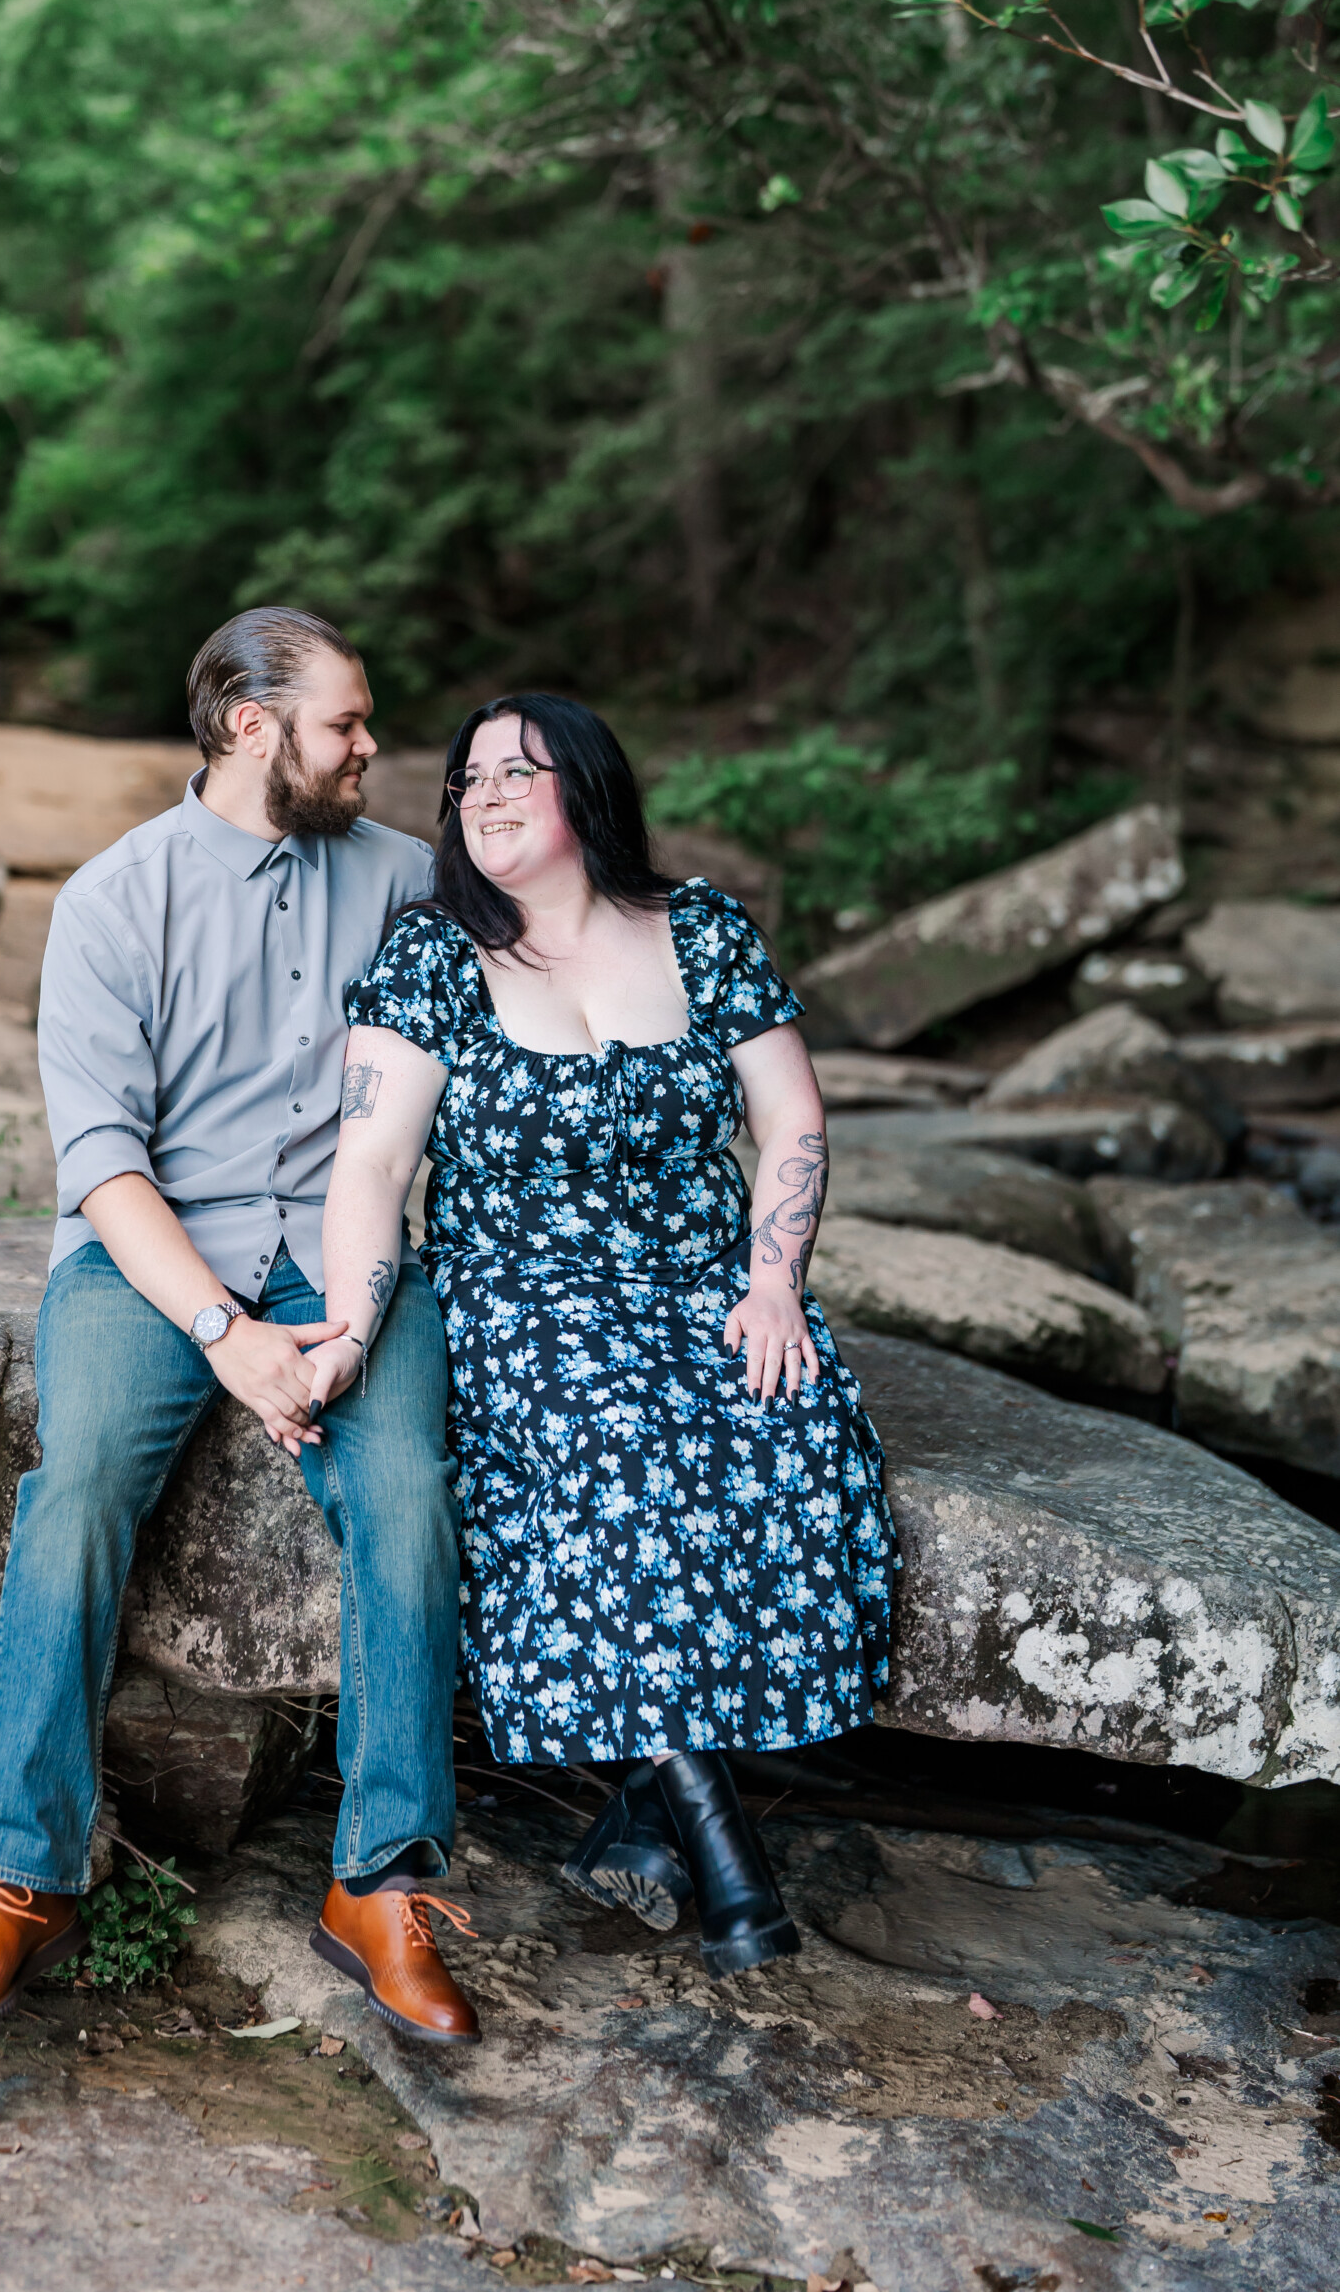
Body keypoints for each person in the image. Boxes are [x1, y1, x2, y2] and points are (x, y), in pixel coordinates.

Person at [0, 608, 479, 2049]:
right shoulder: (113, 898)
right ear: (248, 727)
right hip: (150, 1260)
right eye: (346, 723)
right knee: (78, 1484)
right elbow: (102, 1163)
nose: (372, 747)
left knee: (406, 1492)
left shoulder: (412, 884)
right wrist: (227, 1330)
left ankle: (382, 1882)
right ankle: (19, 1877)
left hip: (349, 1254)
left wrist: (345, 1319)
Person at [306, 692, 897, 1980]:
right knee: (610, 1449)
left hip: (698, 1280)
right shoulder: (434, 953)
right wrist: (353, 1318)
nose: (489, 791)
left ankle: (642, 1808)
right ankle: (730, 1858)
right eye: (469, 778)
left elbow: (790, 1122)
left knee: (788, 1429)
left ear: (590, 785)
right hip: (522, 1296)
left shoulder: (700, 928)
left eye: (523, 769)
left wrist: (775, 1280)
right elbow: (372, 1165)